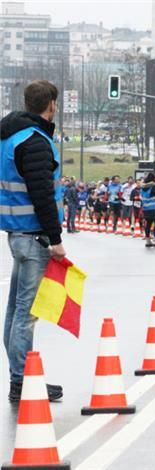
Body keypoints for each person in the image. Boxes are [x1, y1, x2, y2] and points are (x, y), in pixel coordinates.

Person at [0, 80, 65, 401]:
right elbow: (42, 194)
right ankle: (22, 381)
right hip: (34, 236)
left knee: (15, 312)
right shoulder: (35, 141)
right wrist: (56, 238)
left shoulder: (11, 136)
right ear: (50, 104)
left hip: (17, 233)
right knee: (25, 315)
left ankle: (19, 377)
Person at [140, 173, 155, 246]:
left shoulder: (142, 187)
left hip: (146, 208)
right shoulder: (154, 186)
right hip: (154, 208)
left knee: (148, 224)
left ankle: (148, 240)